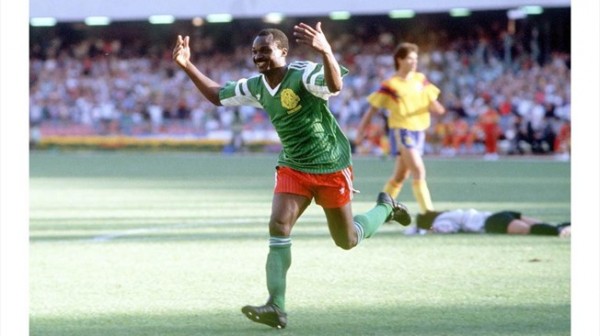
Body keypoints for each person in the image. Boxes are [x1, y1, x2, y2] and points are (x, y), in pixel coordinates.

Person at [172, 22, 411, 329]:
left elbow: (334, 85)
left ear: (282, 52)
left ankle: (386, 207)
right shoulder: (257, 86)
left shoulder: (304, 73)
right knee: (278, 224)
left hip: (330, 166)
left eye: (265, 50)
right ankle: (276, 306)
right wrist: (186, 64)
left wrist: (326, 50)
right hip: (294, 167)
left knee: (347, 239)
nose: (258, 57)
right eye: (255, 52)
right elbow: (217, 95)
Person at [356, 42, 446, 216]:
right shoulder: (391, 84)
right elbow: (372, 109)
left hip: (419, 131)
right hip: (402, 131)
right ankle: (429, 214)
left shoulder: (420, 79)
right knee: (418, 170)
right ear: (400, 60)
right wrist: (361, 131)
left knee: (400, 176)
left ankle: (381, 212)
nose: (414, 62)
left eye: (416, 59)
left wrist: (438, 109)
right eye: (410, 59)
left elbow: (433, 104)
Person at [414, 208, 571, 237]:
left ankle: (559, 232)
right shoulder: (449, 213)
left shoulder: (441, 220)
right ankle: (565, 226)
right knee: (539, 224)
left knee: (527, 230)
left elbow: (445, 229)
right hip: (499, 214)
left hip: (491, 223)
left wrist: (427, 231)